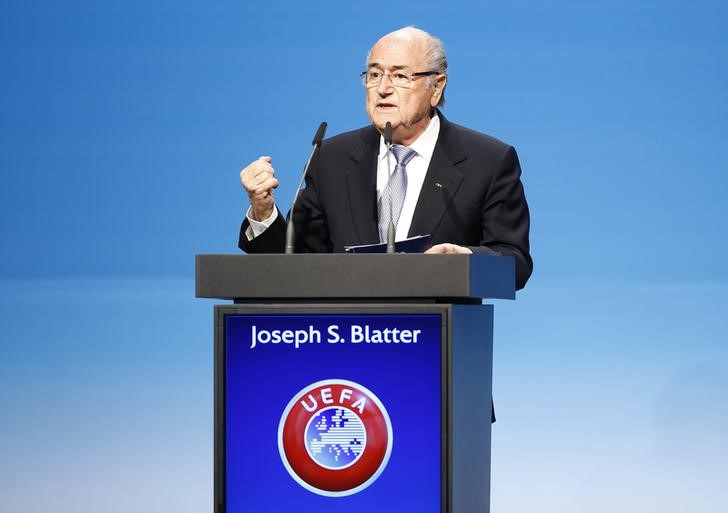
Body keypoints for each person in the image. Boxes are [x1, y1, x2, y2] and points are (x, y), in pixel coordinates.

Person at [238, 26, 532, 290]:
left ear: (437, 86)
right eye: (374, 74)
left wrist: (464, 258)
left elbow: (515, 264)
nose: (383, 89)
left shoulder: (488, 161)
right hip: (341, 335)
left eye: (400, 76)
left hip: (431, 335)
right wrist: (263, 212)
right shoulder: (331, 158)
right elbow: (294, 260)